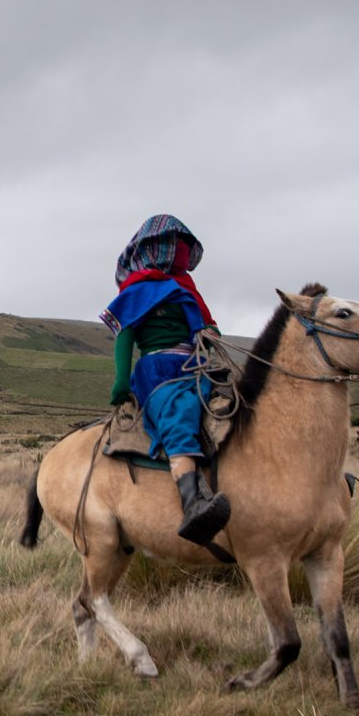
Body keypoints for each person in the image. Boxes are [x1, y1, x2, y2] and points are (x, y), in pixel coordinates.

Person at [101, 215, 232, 545]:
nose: (183, 253)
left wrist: (209, 333)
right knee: (178, 412)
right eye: (177, 245)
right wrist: (121, 381)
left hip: (196, 364)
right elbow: (125, 336)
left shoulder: (185, 289)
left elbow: (203, 326)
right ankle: (193, 504)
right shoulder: (137, 291)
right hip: (158, 371)